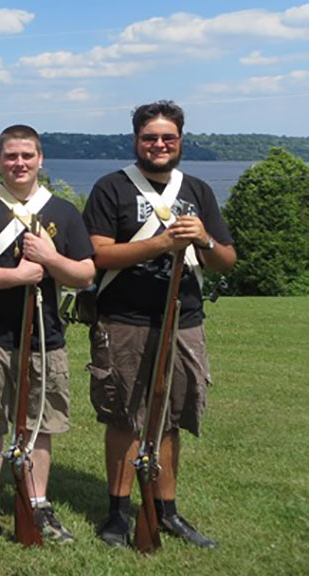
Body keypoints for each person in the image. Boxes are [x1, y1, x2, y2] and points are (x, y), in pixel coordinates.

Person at [83, 100, 236, 549]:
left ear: (180, 140)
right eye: (150, 137)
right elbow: (99, 255)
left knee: (170, 418)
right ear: (136, 140)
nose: (159, 145)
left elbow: (225, 259)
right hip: (125, 319)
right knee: (123, 417)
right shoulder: (111, 188)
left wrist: (203, 239)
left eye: (168, 137)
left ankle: (166, 511)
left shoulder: (199, 190)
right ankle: (117, 512)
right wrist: (161, 243)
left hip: (183, 319)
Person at [0, 125, 95, 542]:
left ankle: (37, 504)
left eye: (27, 156)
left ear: (40, 159)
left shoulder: (64, 212)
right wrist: (16, 277)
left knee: (39, 424)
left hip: (44, 337)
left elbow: (85, 274)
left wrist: (51, 259)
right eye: (11, 156)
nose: (19, 164)